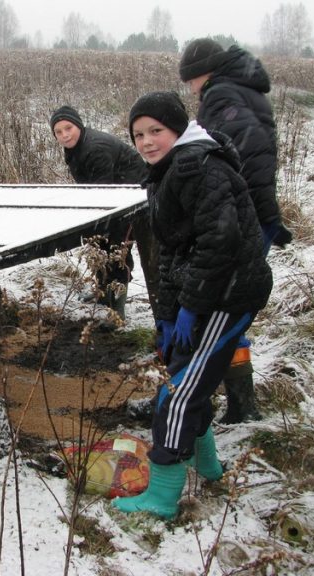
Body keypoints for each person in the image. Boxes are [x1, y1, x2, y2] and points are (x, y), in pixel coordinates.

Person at [111, 91, 272, 519]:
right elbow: (172, 252)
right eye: (138, 134)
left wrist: (192, 306)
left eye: (156, 131)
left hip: (228, 294)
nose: (146, 141)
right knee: (183, 370)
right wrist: (167, 314)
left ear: (178, 130)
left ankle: (162, 498)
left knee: (177, 394)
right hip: (203, 291)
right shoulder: (165, 172)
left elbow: (222, 242)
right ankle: (208, 464)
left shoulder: (202, 168)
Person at [179, 38, 292, 424]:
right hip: (251, 213)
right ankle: (237, 403)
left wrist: (237, 206)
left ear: (199, 74)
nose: (190, 89)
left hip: (243, 218)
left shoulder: (222, 94)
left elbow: (244, 150)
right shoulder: (241, 89)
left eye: (189, 80)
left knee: (224, 307)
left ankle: (205, 400)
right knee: (230, 307)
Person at [49, 105, 148, 320]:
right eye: (59, 132)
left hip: (131, 202)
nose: (65, 135)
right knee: (99, 245)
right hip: (112, 198)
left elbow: (103, 192)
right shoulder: (77, 146)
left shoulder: (95, 148)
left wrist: (93, 221)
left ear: (79, 125)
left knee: (117, 251)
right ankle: (104, 294)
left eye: (69, 128)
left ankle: (117, 311)